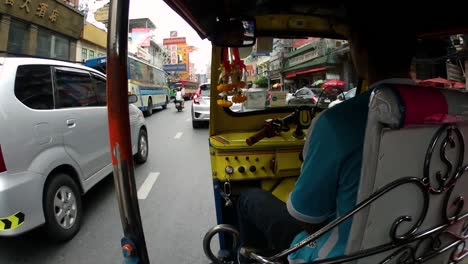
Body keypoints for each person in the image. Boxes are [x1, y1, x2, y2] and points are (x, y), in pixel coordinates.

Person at [236, 8, 417, 264]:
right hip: (424, 247)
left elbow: (306, 219)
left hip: (340, 256)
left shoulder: (337, 122)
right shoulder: (455, 114)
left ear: (359, 50)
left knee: (248, 199)